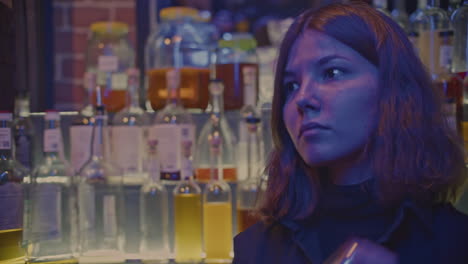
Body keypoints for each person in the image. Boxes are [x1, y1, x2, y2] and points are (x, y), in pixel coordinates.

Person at [232, 2, 468, 264]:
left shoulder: (456, 242)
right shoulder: (254, 249)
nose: (302, 98)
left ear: (393, 89)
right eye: (291, 85)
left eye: (332, 72)